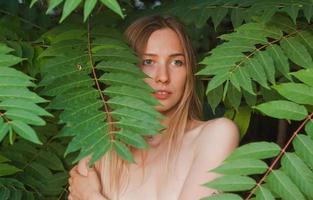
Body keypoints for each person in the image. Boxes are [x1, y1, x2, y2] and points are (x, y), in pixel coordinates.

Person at [68, 15, 239, 200]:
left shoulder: (215, 135)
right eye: (148, 62)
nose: (163, 77)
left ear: (189, 70)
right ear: (125, 70)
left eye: (176, 62)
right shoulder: (101, 151)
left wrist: (91, 196)